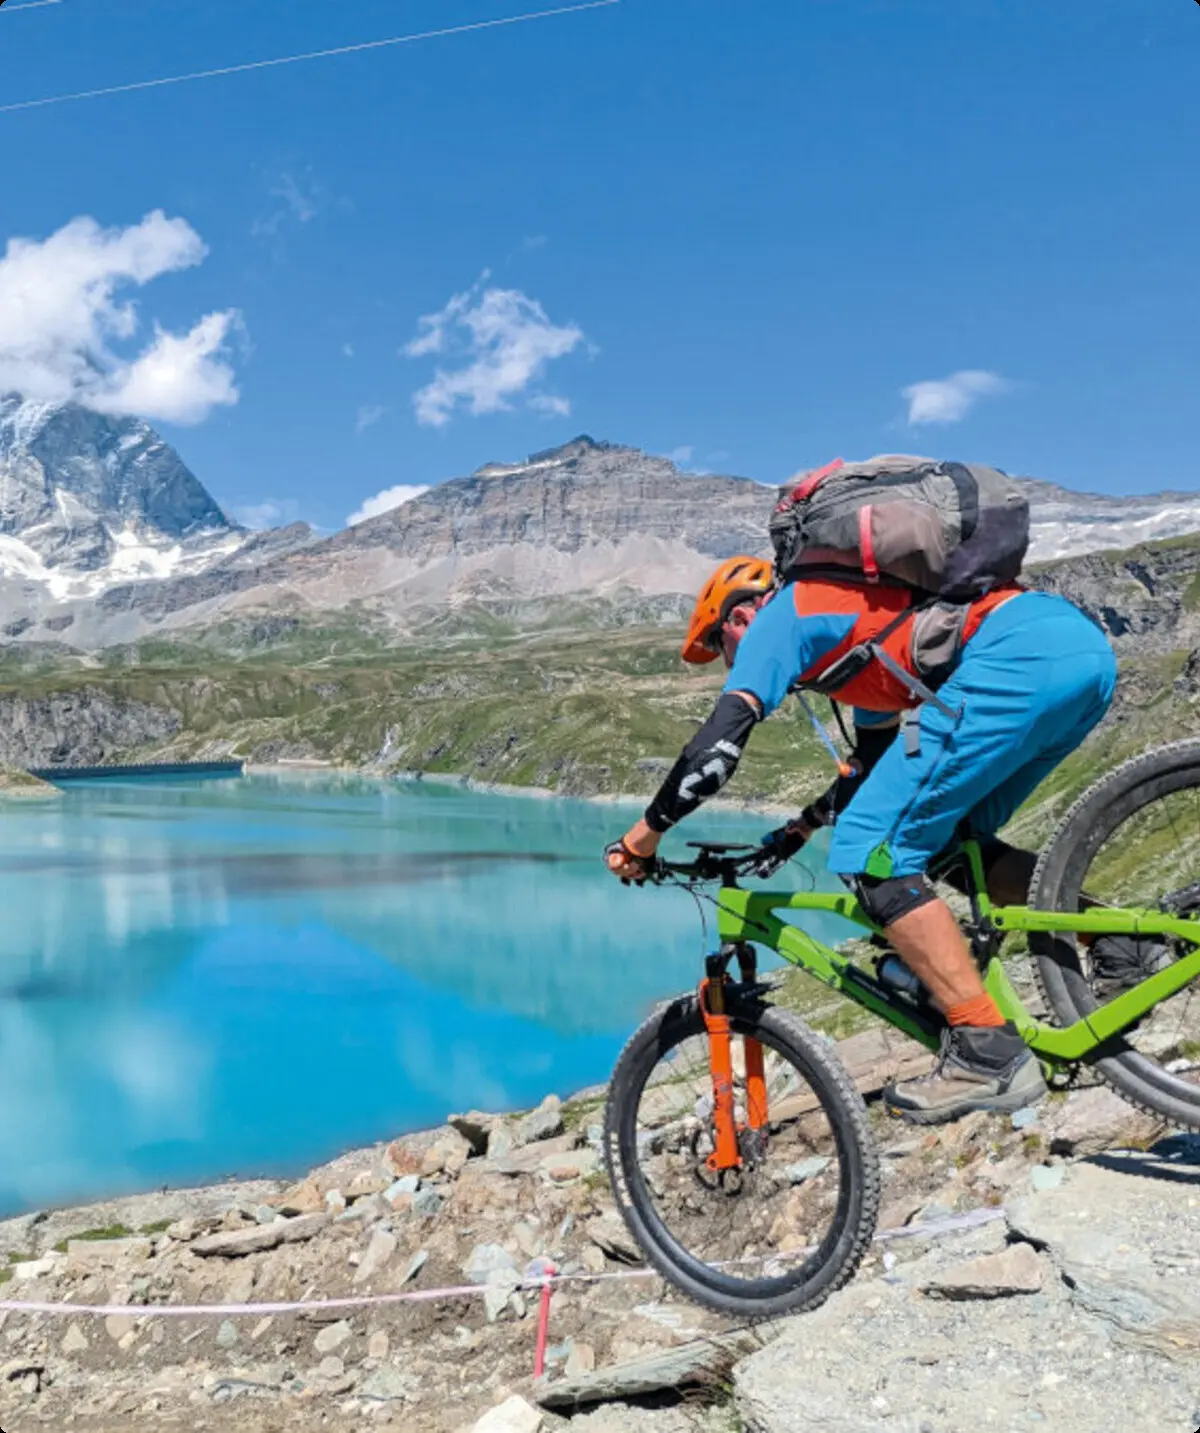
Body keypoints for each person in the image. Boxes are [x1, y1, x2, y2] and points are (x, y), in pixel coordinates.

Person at [605, 553, 1141, 1124]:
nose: (728, 661)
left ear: (738, 618)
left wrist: (643, 836)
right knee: (941, 843)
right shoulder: (857, 620)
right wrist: (801, 826)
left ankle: (988, 1052)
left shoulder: (779, 617)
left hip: (1013, 662)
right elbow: (874, 764)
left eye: (720, 647)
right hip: (1077, 656)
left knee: (867, 853)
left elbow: (717, 749)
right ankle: (1119, 942)